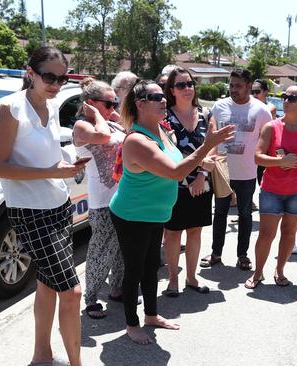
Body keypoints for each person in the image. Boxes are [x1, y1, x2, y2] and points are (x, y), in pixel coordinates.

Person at [109, 80, 234, 344]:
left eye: (162, 95)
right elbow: (176, 172)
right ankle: (132, 324)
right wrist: (206, 146)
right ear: (140, 104)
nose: (163, 100)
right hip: (133, 215)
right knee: (135, 270)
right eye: (156, 97)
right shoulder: (138, 140)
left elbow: (178, 164)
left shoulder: (162, 131)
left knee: (152, 265)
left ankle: (151, 316)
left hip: (156, 213)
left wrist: (202, 164)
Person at [0, 47, 85, 366]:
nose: (56, 84)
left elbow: (48, 156)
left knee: (47, 282)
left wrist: (67, 164)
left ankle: (41, 356)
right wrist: (52, 172)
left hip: (59, 204)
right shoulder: (10, 108)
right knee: (71, 293)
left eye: (62, 77)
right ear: (29, 72)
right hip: (29, 212)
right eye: (49, 76)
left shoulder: (53, 104)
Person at [244, 85, 297, 289]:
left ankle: (280, 271)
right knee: (266, 234)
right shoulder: (271, 127)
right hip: (272, 189)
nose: (286, 100)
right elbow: (258, 157)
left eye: (292, 97)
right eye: (284, 96)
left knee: (289, 233)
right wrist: (281, 162)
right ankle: (258, 272)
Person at [200, 69, 272, 271]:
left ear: (249, 86)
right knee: (220, 213)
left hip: (247, 172)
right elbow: (211, 135)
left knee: (245, 214)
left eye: (238, 86)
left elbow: (267, 141)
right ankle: (216, 253)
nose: (233, 89)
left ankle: (243, 255)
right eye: (231, 85)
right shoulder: (219, 106)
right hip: (222, 171)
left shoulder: (261, 110)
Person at [72, 78, 125, 320]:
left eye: (115, 102)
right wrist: (97, 115)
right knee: (99, 250)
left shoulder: (111, 123)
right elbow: (102, 137)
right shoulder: (83, 126)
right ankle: (91, 298)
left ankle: (117, 288)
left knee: (121, 249)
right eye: (108, 103)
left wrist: (115, 118)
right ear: (91, 104)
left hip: (123, 198)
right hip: (101, 202)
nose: (113, 107)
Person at [161, 68, 216, 297]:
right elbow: (164, 149)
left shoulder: (205, 113)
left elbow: (213, 145)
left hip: (201, 182)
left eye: (190, 84)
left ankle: (192, 277)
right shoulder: (164, 116)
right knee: (172, 233)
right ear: (172, 90)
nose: (187, 88)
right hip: (174, 183)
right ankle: (173, 279)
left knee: (195, 232)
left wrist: (202, 174)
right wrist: (188, 175)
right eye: (181, 85)